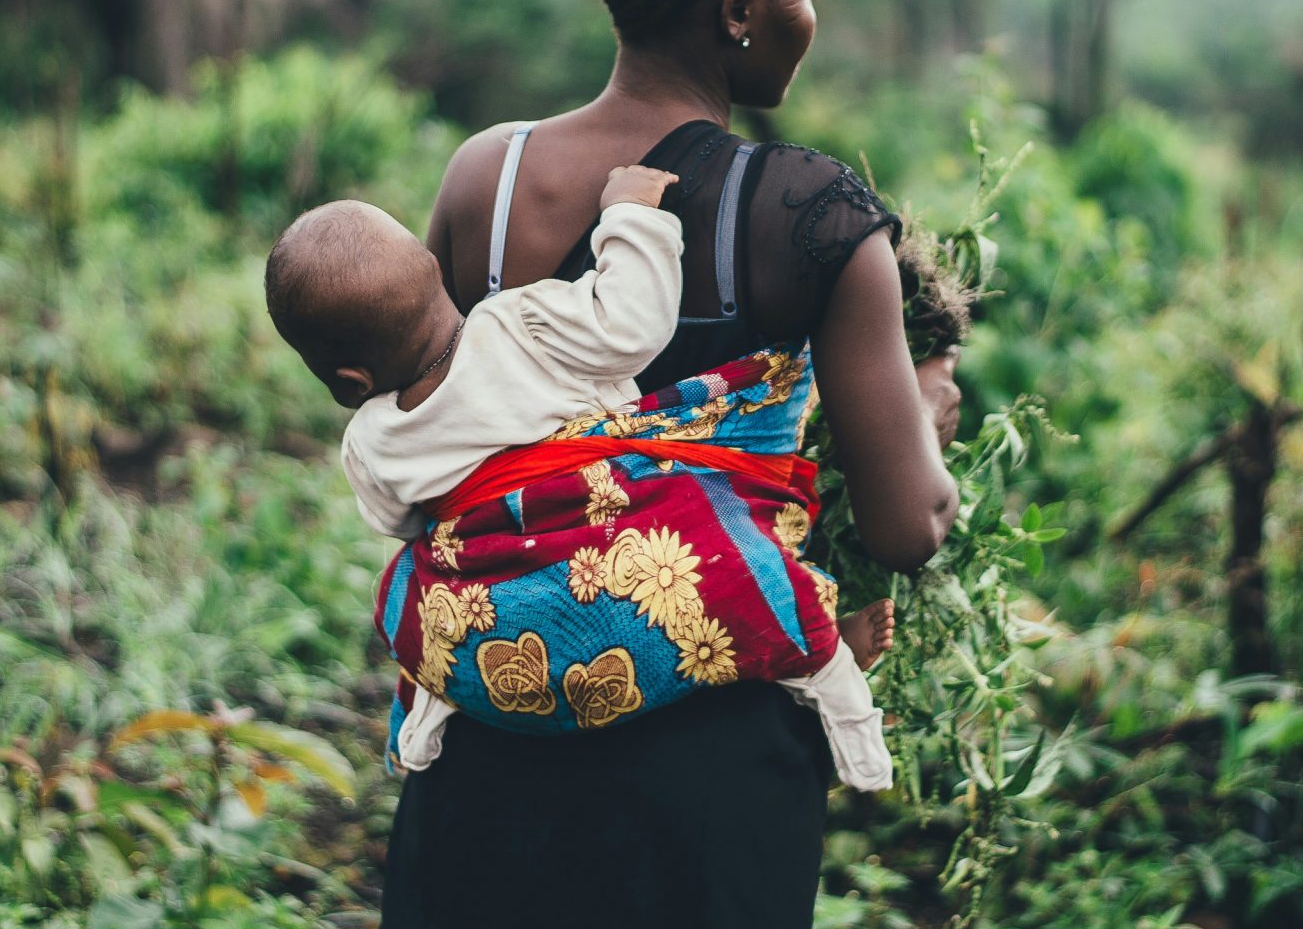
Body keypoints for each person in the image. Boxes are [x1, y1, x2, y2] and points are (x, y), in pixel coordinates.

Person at [340, 0, 960, 929]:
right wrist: (928, 420)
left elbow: (459, 423)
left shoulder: (485, 182)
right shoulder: (812, 216)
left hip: (495, 725)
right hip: (705, 767)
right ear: (742, 8)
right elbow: (905, 530)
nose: (808, 15)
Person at [262, 164, 895, 789]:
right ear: (433, 271)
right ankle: (832, 680)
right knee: (732, 563)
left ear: (348, 383)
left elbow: (403, 523)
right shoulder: (520, 323)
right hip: (616, 552)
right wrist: (630, 214)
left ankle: (431, 708)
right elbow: (632, 325)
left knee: (410, 591)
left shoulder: (370, 441)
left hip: (500, 619)